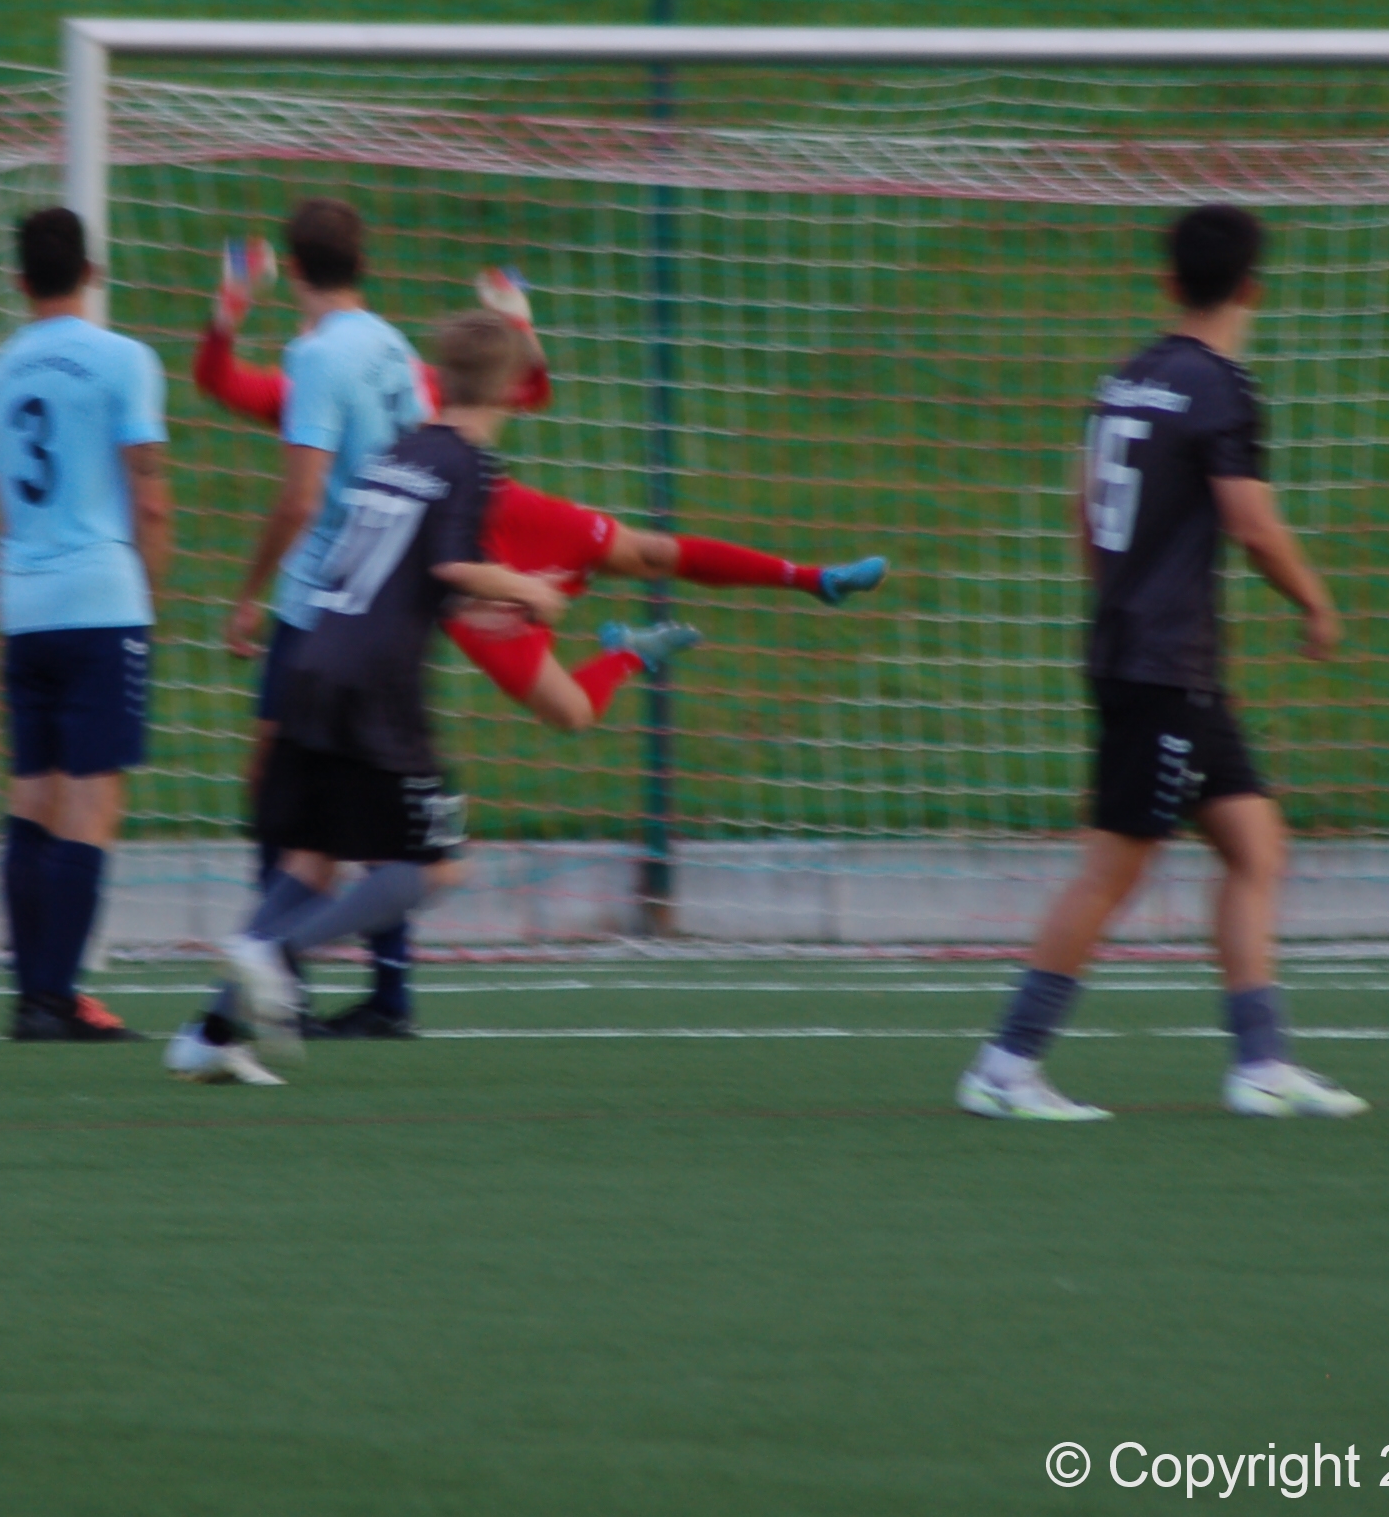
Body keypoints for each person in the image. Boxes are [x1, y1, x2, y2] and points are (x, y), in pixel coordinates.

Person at [957, 205, 1365, 1122]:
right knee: (1113, 867)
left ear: (1170, 282)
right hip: (1163, 663)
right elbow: (1253, 525)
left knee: (1256, 843)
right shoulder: (1221, 387)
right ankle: (1005, 1063)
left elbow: (1083, 507)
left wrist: (1123, 591)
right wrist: (1315, 602)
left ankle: (1261, 1064)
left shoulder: (1127, 376)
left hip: (1148, 653)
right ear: (1255, 288)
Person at [197, 248, 884, 733]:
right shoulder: (311, 387)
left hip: (497, 512)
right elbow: (226, 386)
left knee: (644, 551)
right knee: (571, 714)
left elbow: (520, 390)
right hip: (441, 567)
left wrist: (520, 330)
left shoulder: (398, 367)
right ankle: (630, 653)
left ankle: (813, 578)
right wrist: (228, 311)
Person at [168, 310, 588, 1085]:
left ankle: (210, 1032)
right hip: (377, 686)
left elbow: (414, 571)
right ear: (509, 387)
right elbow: (456, 567)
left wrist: (483, 606)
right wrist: (532, 591)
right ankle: (275, 954)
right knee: (429, 868)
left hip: (317, 659)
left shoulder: (404, 448)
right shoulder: (469, 463)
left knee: (313, 858)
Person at [219, 201, 434, 1036]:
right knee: (372, 793)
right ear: (361, 261)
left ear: (297, 273)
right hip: (388, 606)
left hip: (321, 608)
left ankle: (282, 976)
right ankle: (387, 992)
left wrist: (247, 592)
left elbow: (302, 495)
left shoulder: (315, 356)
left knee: (279, 795)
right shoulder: (395, 349)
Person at [0, 207, 173, 1041]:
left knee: (30, 800)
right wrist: (146, 596)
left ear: (19, 283)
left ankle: (30, 993)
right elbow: (150, 495)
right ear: (93, 271)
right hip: (99, 598)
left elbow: (0, 504)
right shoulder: (125, 360)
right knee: (92, 804)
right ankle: (57, 997)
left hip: (24, 602)